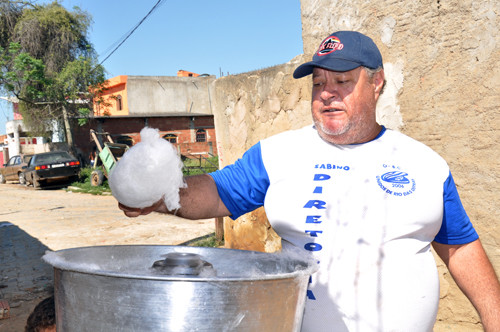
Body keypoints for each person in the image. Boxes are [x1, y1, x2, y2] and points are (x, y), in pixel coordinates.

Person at [119, 31, 500, 331]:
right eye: (318, 83)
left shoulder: (424, 163)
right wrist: (166, 194)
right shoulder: (280, 152)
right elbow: (218, 192)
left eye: (342, 81)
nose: (327, 94)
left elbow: (461, 248)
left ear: (377, 82)